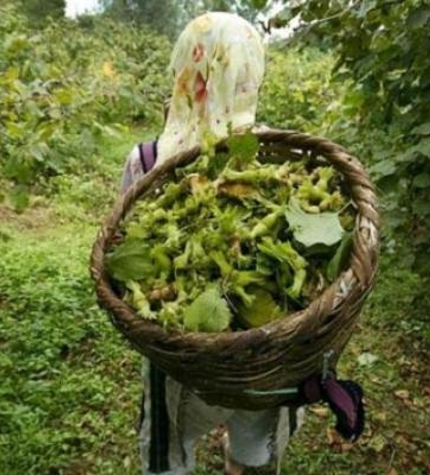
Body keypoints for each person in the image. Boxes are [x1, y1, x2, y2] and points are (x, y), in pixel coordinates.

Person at [118, 12, 305, 475]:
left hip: (180, 354)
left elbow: (122, 253)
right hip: (262, 353)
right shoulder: (275, 155)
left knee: (169, 449)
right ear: (249, 74)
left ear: (184, 69)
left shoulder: (145, 160)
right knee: (252, 452)